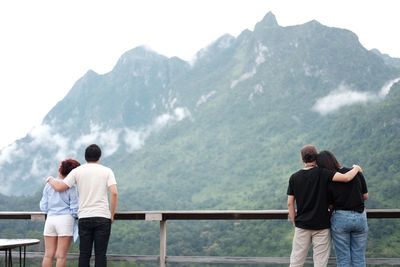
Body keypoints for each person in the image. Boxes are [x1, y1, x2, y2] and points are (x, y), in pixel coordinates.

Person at [287, 144, 362, 267]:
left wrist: (294, 220)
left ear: (302, 159)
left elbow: (290, 202)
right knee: (320, 263)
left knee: (296, 261)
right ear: (316, 157)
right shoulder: (324, 173)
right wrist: (356, 168)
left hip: (302, 225)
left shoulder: (294, 177)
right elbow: (346, 178)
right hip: (322, 225)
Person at [47, 144, 118, 267]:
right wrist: (111, 214)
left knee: (84, 254)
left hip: (84, 217)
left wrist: (50, 179)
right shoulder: (107, 171)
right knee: (100, 254)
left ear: (85, 157)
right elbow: (114, 193)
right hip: (102, 217)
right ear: (99, 157)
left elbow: (60, 187)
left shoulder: (77, 171)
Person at [317, 150, 368, 267]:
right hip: (360, 216)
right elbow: (365, 196)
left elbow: (328, 202)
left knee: (343, 258)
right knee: (359, 257)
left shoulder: (328, 179)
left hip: (340, 218)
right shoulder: (356, 173)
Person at [40, 158, 81, 267]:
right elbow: (75, 209)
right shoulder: (72, 187)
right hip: (65, 220)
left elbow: (43, 207)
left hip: (50, 219)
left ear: (60, 169)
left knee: (48, 255)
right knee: (61, 256)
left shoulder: (48, 185)